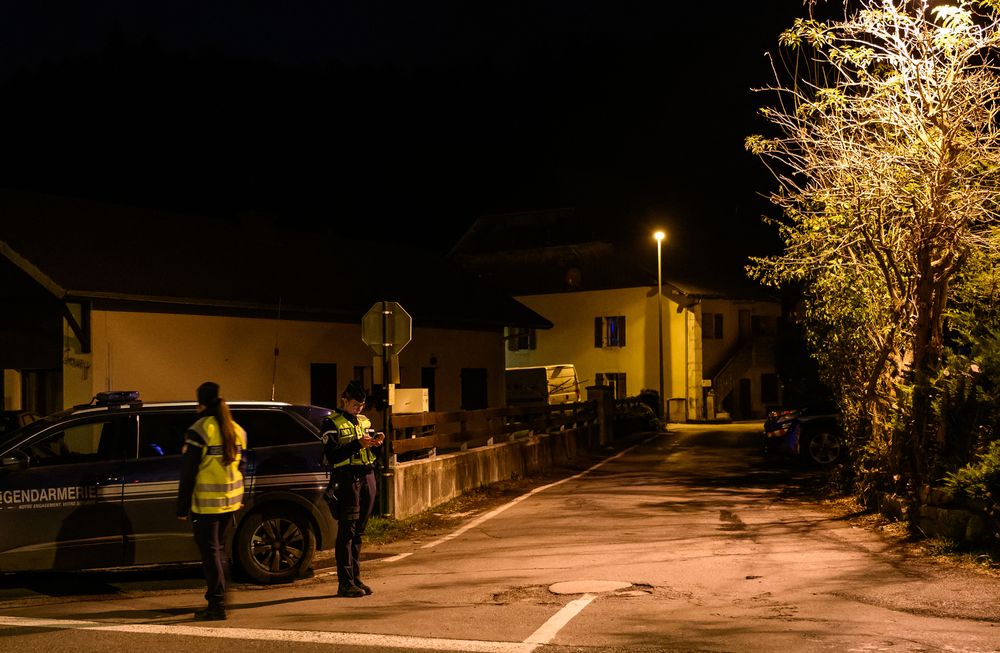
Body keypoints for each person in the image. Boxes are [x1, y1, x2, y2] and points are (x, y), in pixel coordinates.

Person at [176, 381, 247, 621]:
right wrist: (241, 497)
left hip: (207, 504)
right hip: (230, 502)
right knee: (219, 551)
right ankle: (220, 599)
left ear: (200, 404)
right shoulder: (236, 429)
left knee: (211, 555)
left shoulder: (200, 430)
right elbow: (242, 465)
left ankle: (217, 605)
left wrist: (182, 507)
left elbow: (188, 472)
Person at [322, 380, 384, 598]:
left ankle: (356, 579)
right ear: (344, 400)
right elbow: (333, 455)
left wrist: (376, 445)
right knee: (347, 532)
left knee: (359, 532)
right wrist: (358, 444)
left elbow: (372, 454)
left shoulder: (364, 421)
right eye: (355, 404)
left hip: (367, 476)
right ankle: (345, 583)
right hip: (347, 479)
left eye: (362, 405)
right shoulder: (331, 422)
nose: (359, 408)